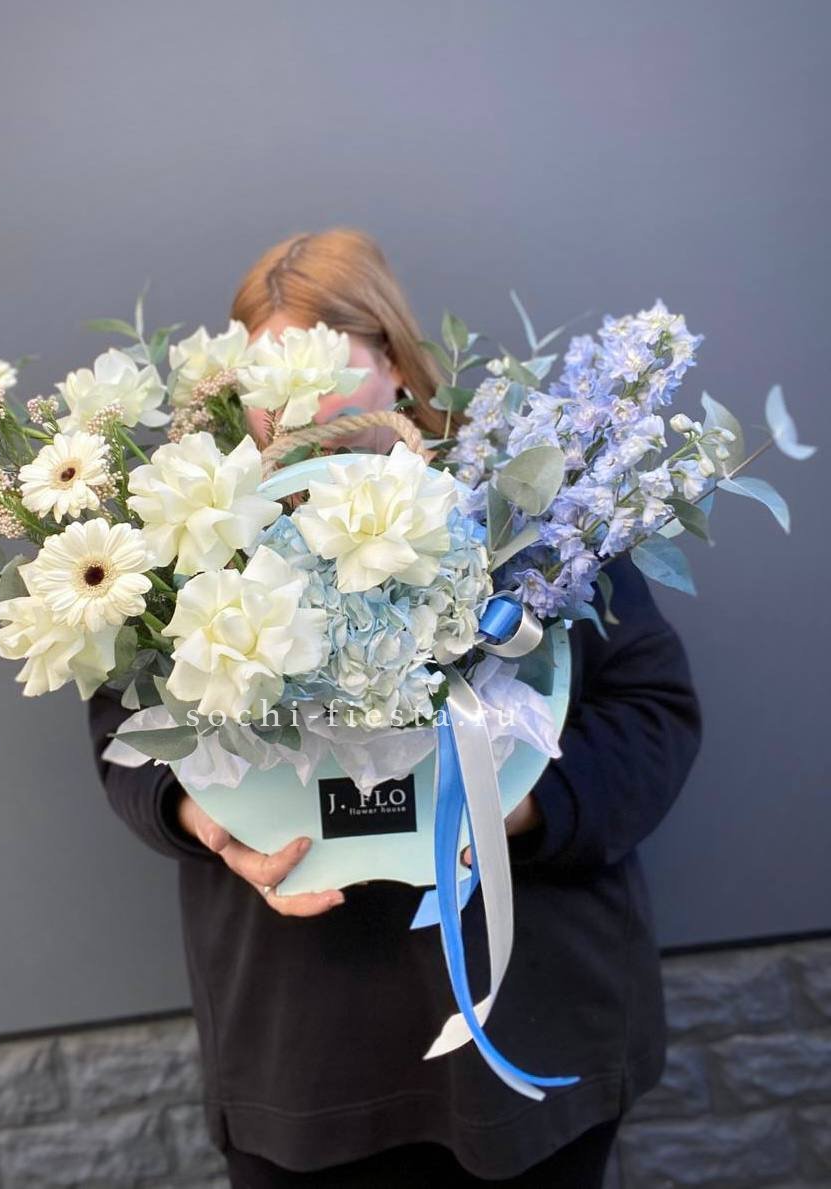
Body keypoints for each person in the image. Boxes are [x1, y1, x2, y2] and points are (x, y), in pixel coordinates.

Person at [87, 228, 703, 1187]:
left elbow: (652, 713)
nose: (296, 404)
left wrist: (506, 810)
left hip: (527, 1021)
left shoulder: (531, 511)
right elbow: (121, 736)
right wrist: (210, 822)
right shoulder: (185, 532)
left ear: (397, 366)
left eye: (325, 369)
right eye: (268, 377)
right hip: (299, 1051)